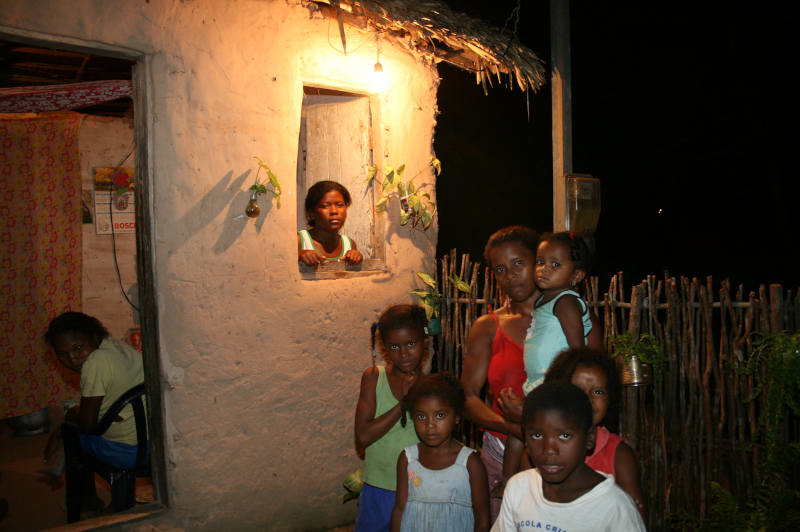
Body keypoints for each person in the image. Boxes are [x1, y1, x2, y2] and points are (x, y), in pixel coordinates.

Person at [461, 226, 602, 522]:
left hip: (564, 453)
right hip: (502, 452)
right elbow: (467, 397)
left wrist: (532, 422)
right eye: (500, 269)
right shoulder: (487, 326)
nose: (510, 275)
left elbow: (596, 385)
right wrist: (511, 426)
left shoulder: (570, 314)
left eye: (518, 263)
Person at [500, 232, 595, 486]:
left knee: (534, 434)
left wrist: (566, 387)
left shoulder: (565, 302)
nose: (544, 269)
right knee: (521, 432)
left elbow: (577, 349)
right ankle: (509, 480)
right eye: (541, 262)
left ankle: (530, 483)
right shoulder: (545, 300)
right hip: (538, 382)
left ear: (576, 276)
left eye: (555, 264)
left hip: (556, 385)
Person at [491, 381, 645, 531]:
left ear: (590, 438)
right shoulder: (519, 488)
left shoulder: (613, 506)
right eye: (537, 435)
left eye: (564, 436)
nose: (549, 450)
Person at [44, 312, 147, 522]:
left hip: (127, 451)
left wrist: (70, 418)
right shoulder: (115, 345)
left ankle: (86, 502)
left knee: (72, 435)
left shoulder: (94, 364)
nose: (72, 358)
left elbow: (88, 425)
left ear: (93, 336)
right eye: (62, 353)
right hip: (149, 440)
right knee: (71, 423)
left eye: (78, 348)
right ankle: (91, 497)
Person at [544, 346, 646, 518]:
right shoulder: (543, 448)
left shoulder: (619, 454)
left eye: (598, 392)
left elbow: (635, 519)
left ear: (610, 399)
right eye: (577, 390)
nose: (587, 399)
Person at [354, 305, 426, 532]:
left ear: (424, 341)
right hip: (379, 488)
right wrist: (403, 402)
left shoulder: (431, 387)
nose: (403, 354)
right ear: (384, 348)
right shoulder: (374, 378)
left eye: (411, 344)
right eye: (394, 346)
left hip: (418, 488)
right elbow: (364, 436)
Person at [391, 373, 490, 532]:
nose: (430, 425)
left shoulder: (469, 463)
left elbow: (482, 518)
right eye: (421, 416)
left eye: (440, 415)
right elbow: (399, 510)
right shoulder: (408, 459)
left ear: (457, 417)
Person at [298, 180, 363, 266]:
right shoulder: (299, 241)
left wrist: (356, 257)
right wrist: (299, 255)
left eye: (340, 205)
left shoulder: (349, 244)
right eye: (325, 206)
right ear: (312, 213)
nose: (334, 211)